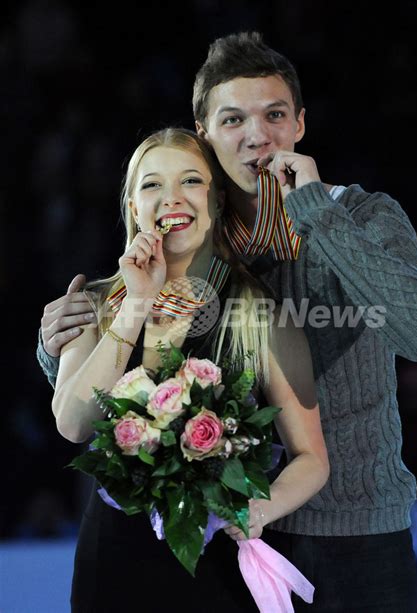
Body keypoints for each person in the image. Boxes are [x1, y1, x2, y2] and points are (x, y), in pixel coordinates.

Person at [38, 32, 417, 612]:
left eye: (275, 115)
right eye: (233, 119)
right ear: (204, 135)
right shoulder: (202, 231)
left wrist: (318, 218)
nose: (258, 136)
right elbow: (131, 365)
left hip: (357, 532)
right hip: (232, 540)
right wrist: (62, 341)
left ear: (300, 125)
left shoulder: (364, 216)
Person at [50, 127, 329, 612]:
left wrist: (257, 510)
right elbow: (73, 425)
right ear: (133, 206)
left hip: (216, 562)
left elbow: (312, 458)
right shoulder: (96, 304)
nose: (171, 198)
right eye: (152, 185)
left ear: (218, 201)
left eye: (191, 182)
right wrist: (136, 302)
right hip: (113, 560)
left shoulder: (259, 315)